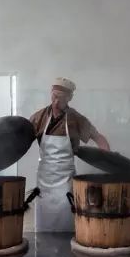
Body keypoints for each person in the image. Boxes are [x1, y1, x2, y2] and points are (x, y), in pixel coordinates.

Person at [29, 77, 110, 231]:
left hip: (65, 179)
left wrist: (107, 157)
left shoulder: (75, 119)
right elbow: (22, 137)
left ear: (69, 98)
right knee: (43, 224)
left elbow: (98, 137)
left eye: (60, 97)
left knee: (66, 220)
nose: (56, 100)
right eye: (54, 95)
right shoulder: (39, 117)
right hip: (44, 178)